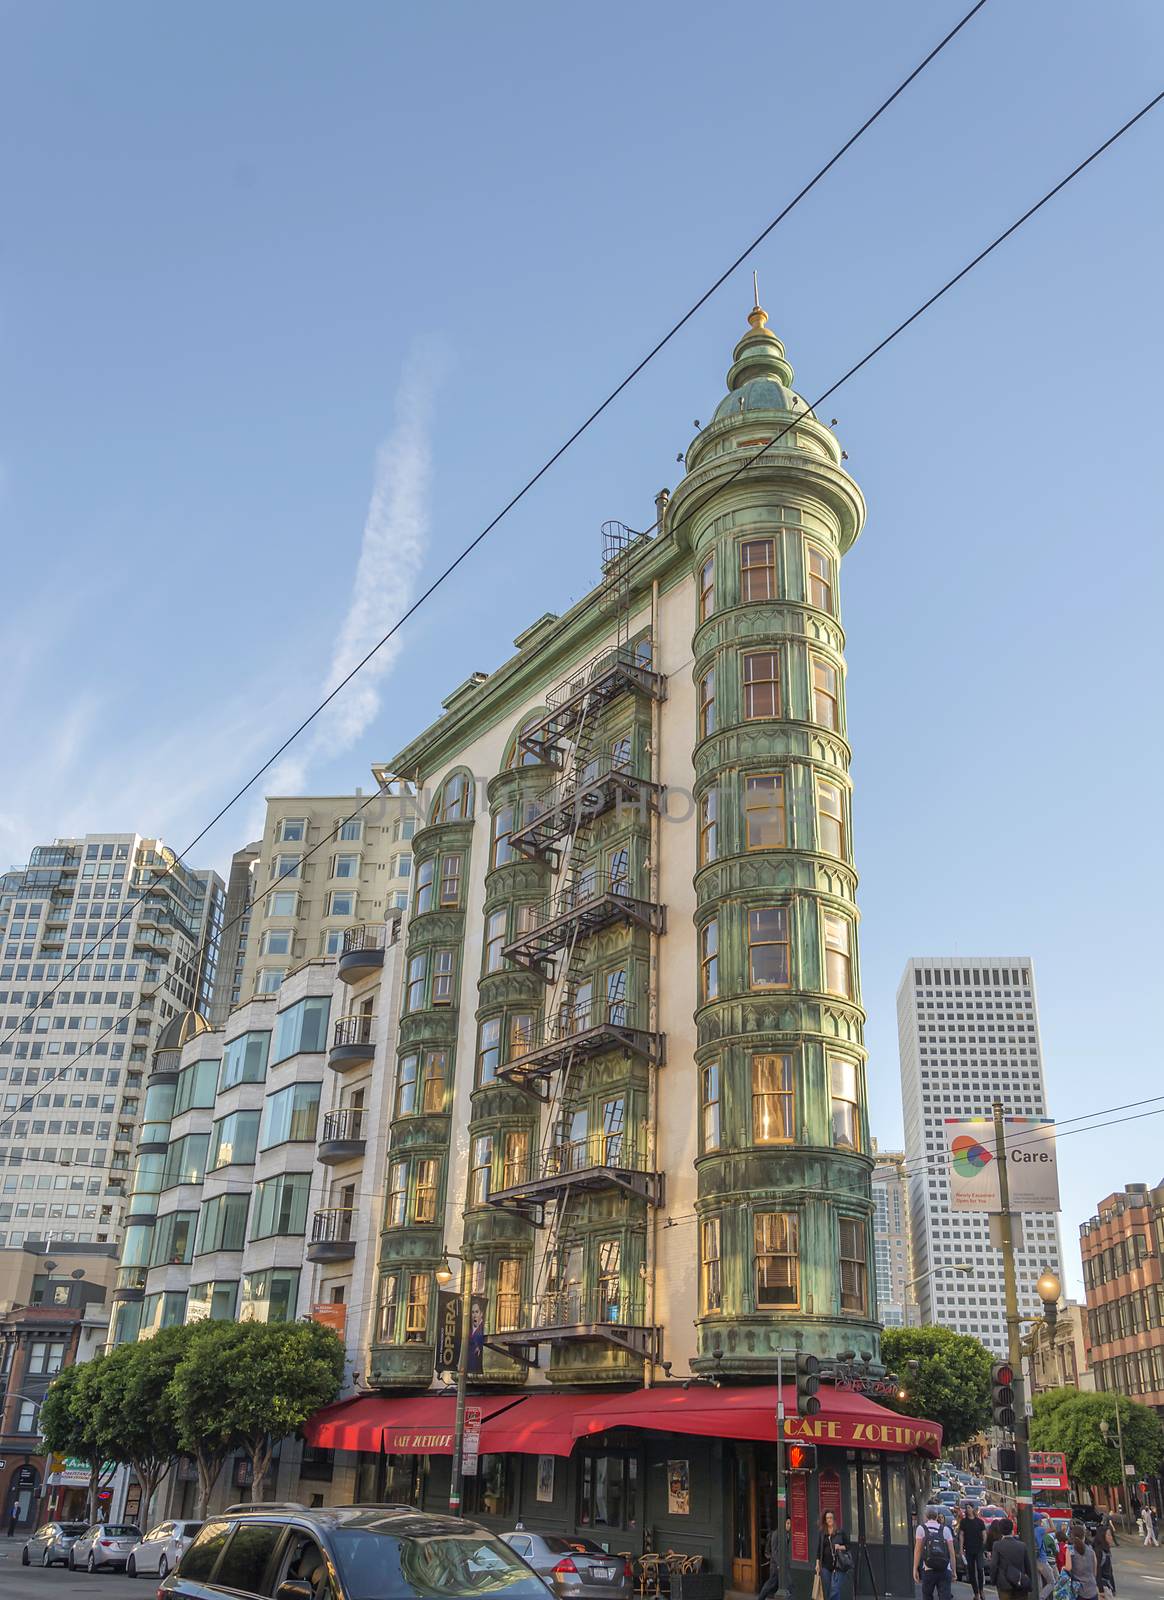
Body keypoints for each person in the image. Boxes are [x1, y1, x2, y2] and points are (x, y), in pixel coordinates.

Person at [914, 1506, 956, 1600]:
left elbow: (917, 1550)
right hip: (944, 1569)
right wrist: (954, 1571)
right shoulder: (945, 1530)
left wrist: (915, 1569)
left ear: (926, 1516)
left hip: (928, 1569)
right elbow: (951, 1552)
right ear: (937, 1516)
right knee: (945, 1597)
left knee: (927, 1596)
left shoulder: (921, 1529)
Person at [990, 1518, 1035, 1600]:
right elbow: (1028, 1566)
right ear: (1012, 1529)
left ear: (1000, 1530)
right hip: (1020, 1582)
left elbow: (994, 1565)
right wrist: (1029, 1582)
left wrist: (993, 1580)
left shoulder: (997, 1545)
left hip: (1004, 1584)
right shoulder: (1022, 1545)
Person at [816, 1510, 850, 1600]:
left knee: (834, 1589)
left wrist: (840, 1547)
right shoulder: (822, 1533)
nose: (829, 1520)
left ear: (834, 1519)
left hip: (838, 1565)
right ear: (825, 1520)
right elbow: (819, 1549)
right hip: (826, 1566)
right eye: (827, 1518)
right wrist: (817, 1564)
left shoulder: (840, 1532)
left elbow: (848, 1546)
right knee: (827, 1589)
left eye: (831, 1518)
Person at [1066, 1522, 1102, 1600]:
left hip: (1079, 1591)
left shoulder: (1070, 1550)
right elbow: (1094, 1572)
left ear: (1072, 1536)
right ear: (1084, 1537)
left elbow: (1068, 1568)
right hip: (1092, 1590)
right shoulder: (1091, 1551)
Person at [961, 1503, 988, 1600]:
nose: (967, 1509)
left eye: (969, 1507)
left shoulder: (979, 1522)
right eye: (966, 1508)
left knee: (980, 1569)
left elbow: (984, 1534)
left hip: (979, 1548)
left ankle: (981, 1590)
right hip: (969, 1549)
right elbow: (961, 1535)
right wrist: (961, 1549)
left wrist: (983, 1544)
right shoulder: (964, 1522)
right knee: (971, 1571)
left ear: (973, 1509)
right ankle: (976, 1592)